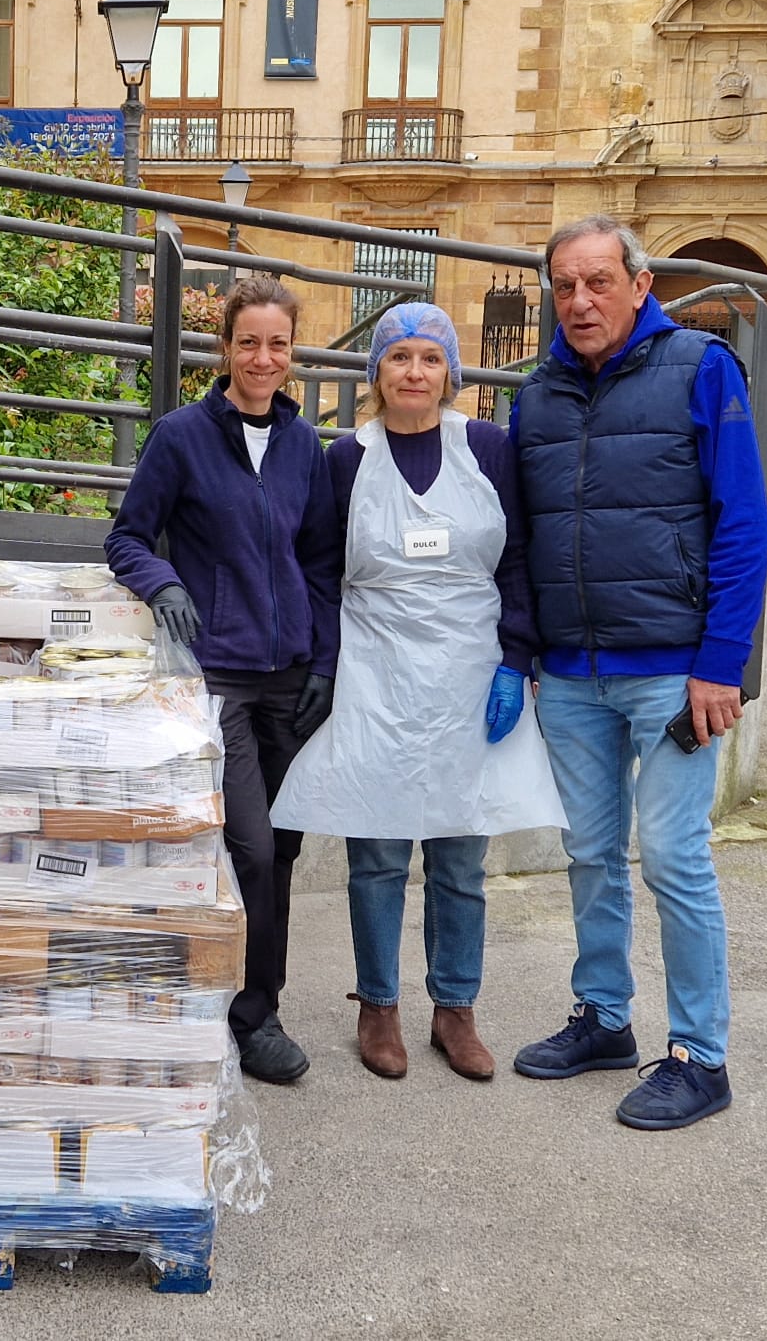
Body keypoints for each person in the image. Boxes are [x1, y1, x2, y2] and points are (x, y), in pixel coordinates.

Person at [507, 214, 767, 1131]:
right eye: (564, 285)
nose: (580, 301)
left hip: (673, 671)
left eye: (598, 282)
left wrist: (721, 663)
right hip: (573, 672)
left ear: (640, 284)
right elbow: (525, 534)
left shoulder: (701, 368)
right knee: (587, 855)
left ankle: (701, 1055)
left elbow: (742, 522)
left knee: (672, 856)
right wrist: (529, 656)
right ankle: (605, 1017)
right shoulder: (534, 395)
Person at [271, 303, 564, 1082]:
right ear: (375, 374)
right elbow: (321, 575)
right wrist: (329, 668)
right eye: (398, 357)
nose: (413, 372)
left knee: (461, 853)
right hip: (377, 669)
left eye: (428, 359)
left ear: (450, 374)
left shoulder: (489, 450)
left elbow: (518, 560)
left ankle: (456, 1010)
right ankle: (378, 1006)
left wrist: (515, 658)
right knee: (376, 852)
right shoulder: (345, 461)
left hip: (471, 673)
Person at [106, 275, 342, 1084]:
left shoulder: (306, 447)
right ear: (225, 349)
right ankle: (251, 1015)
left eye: (278, 344)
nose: (263, 358)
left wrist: (326, 663)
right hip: (220, 679)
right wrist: (164, 584)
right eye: (249, 343)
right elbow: (127, 537)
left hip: (292, 678)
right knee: (245, 842)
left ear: (292, 352)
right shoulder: (181, 437)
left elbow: (320, 564)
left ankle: (249, 997)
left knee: (280, 849)